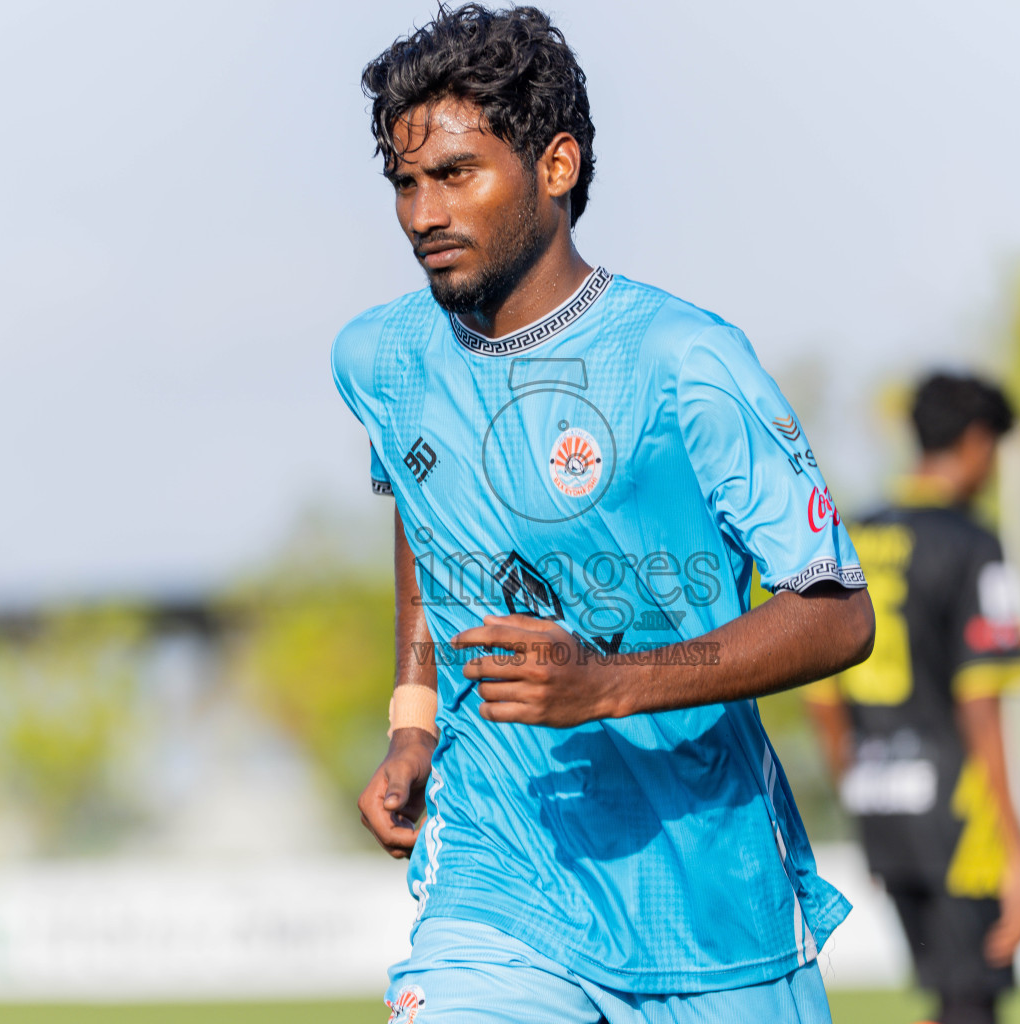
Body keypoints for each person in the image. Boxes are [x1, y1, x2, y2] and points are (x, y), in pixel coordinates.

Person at [331, 6, 875, 1022]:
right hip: (496, 886)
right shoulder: (379, 358)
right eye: (405, 183)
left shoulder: (686, 363)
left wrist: (608, 684)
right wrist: (415, 722)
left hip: (708, 906)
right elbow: (423, 507)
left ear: (557, 164)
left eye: (456, 174)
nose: (421, 213)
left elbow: (838, 610)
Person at [805, 373, 1020, 1024]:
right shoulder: (972, 545)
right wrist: (1014, 843)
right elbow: (981, 700)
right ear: (977, 443)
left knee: (950, 994)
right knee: (972, 1001)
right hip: (956, 814)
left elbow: (823, 700)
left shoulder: (850, 536)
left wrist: (859, 789)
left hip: (881, 804)